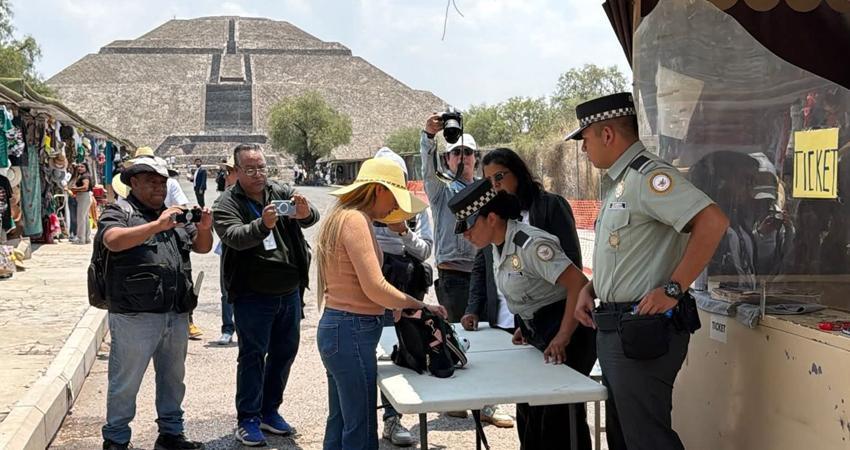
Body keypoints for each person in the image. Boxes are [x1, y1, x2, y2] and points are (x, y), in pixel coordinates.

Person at [567, 93, 729, 450]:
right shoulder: (621, 182)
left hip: (642, 328)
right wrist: (591, 290)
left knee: (646, 439)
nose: (584, 148)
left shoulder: (649, 177)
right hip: (616, 327)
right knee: (625, 438)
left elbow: (713, 221)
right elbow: (629, 256)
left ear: (607, 134)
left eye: (586, 138)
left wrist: (673, 289)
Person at [450, 180, 595, 449]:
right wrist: (527, 324)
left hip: (568, 333)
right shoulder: (497, 246)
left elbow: (578, 284)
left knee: (557, 424)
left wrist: (563, 336)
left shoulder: (531, 244)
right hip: (540, 332)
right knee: (530, 417)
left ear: (492, 218)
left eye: (469, 226)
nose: (466, 235)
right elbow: (531, 291)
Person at [314, 157, 446, 450]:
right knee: (360, 428)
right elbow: (375, 287)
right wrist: (419, 304)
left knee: (341, 420)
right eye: (394, 197)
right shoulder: (355, 220)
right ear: (378, 190)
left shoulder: (342, 217)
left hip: (340, 328)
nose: (394, 207)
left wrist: (396, 304)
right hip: (352, 330)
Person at [96, 156, 213, 450]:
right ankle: (116, 439)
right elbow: (112, 240)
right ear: (133, 182)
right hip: (135, 314)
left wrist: (204, 227)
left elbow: (202, 247)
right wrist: (155, 226)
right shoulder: (119, 211)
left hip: (176, 311)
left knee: (173, 379)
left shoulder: (174, 215)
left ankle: (171, 435)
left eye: (162, 182)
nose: (159, 187)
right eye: (151, 182)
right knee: (126, 381)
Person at [212, 143, 318, 447]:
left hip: (289, 291)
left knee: (285, 353)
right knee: (252, 356)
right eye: (250, 169)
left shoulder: (279, 191)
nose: (258, 174)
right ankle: (247, 418)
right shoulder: (226, 202)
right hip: (252, 294)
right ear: (237, 171)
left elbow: (311, 217)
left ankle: (269, 410)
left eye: (262, 168)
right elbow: (233, 236)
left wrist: (305, 213)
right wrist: (263, 225)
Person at [372, 147, 433, 446]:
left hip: (409, 291)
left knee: (407, 351)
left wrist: (403, 232)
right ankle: (387, 419)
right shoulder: (363, 212)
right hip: (375, 290)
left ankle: (399, 414)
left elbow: (425, 251)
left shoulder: (417, 209)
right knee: (379, 356)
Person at [420, 115, 478, 322]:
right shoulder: (441, 191)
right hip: (454, 277)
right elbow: (428, 171)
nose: (463, 157)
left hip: (482, 273)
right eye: (457, 152)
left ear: (476, 158)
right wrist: (428, 136)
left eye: (468, 152)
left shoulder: (485, 189)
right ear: (447, 158)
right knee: (460, 330)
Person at [214, 156, 239, 345]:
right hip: (229, 248)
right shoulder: (224, 198)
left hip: (252, 249)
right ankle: (228, 328)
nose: (226, 175)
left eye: (229, 171)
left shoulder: (258, 195)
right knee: (227, 291)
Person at [69, 163, 93, 244]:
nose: (80, 168)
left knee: (81, 218)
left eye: (82, 167)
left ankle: (80, 239)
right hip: (84, 197)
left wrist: (75, 189)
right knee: (84, 218)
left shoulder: (85, 176)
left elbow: (85, 187)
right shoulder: (83, 175)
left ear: (86, 168)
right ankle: (87, 238)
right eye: (78, 166)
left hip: (84, 196)